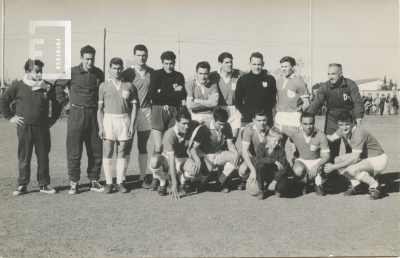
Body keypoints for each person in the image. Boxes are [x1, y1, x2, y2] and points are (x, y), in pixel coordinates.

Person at [0, 59, 62, 195]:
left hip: (42, 127)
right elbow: (3, 100)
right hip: (24, 127)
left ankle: (44, 184)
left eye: (41, 71)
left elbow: (57, 103)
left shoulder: (46, 86)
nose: (39, 74)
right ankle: (22, 184)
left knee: (43, 156)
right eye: (36, 71)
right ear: (28, 72)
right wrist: (10, 117)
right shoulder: (17, 86)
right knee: (24, 156)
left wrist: (53, 118)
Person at [55, 45, 105, 194]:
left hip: (94, 114)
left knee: (96, 149)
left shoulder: (99, 73)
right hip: (76, 113)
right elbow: (58, 86)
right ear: (81, 58)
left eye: (92, 59)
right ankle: (74, 182)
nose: (90, 62)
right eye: (87, 59)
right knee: (74, 150)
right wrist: (65, 104)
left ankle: (94, 180)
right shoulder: (72, 72)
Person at [307, 63, 364, 163]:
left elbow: (358, 102)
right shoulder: (324, 86)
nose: (330, 77)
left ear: (341, 73)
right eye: (328, 74)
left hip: (348, 117)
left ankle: (351, 170)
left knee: (350, 146)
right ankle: (332, 174)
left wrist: (359, 118)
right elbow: (316, 104)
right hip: (332, 118)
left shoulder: (351, 84)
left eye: (333, 74)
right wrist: (307, 117)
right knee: (331, 145)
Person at [325, 111, 388, 200]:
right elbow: (330, 138)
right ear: (338, 124)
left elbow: (354, 159)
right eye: (341, 125)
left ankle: (375, 185)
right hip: (364, 157)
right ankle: (356, 185)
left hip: (378, 159)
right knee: (337, 160)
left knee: (352, 169)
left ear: (353, 123)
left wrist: (333, 167)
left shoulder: (358, 133)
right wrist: (316, 135)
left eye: (347, 124)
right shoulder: (341, 130)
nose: (344, 128)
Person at [97, 58, 137, 194]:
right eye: (114, 68)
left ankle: (120, 182)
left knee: (122, 152)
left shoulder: (129, 85)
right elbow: (99, 109)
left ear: (122, 68)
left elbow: (134, 107)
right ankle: (109, 183)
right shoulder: (103, 85)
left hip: (124, 120)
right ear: (109, 69)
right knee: (107, 151)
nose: (117, 70)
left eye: (119, 68)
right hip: (108, 120)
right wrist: (101, 127)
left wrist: (132, 125)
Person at [147, 51, 186, 189]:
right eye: (166, 63)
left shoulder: (179, 76)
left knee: (172, 145)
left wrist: (162, 91)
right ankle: (155, 177)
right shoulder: (156, 75)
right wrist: (172, 93)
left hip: (174, 111)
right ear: (162, 63)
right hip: (157, 110)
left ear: (174, 63)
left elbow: (182, 95)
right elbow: (152, 95)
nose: (169, 66)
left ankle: (170, 174)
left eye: (171, 63)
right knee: (158, 146)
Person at [121, 44, 154, 188]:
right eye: (139, 55)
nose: (142, 57)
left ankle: (142, 177)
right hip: (129, 112)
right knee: (126, 145)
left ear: (147, 55)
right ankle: (122, 179)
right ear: (134, 56)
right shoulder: (127, 73)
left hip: (146, 112)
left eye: (144, 55)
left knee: (143, 145)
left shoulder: (152, 72)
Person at [147, 108, 199, 198]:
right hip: (168, 160)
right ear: (177, 122)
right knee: (153, 161)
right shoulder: (169, 134)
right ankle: (163, 182)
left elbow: (203, 122)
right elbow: (172, 162)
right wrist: (174, 184)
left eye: (188, 123)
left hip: (182, 159)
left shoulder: (191, 125)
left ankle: (182, 181)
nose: (186, 126)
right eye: (184, 124)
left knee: (194, 171)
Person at [186, 108, 241, 193]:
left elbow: (230, 144)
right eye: (219, 124)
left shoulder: (227, 126)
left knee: (236, 157)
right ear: (214, 120)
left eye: (224, 124)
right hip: (202, 154)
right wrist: (197, 160)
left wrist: (236, 153)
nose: (222, 127)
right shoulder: (204, 127)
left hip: (216, 153)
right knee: (208, 169)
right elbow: (192, 148)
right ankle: (198, 181)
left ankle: (220, 181)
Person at [275, 113, 331, 196]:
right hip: (302, 160)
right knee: (297, 170)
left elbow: (327, 156)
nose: (308, 127)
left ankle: (318, 184)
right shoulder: (295, 131)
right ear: (301, 124)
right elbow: (277, 125)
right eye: (305, 124)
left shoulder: (321, 135)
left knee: (325, 167)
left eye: (310, 123)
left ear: (314, 123)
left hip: (316, 160)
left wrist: (316, 166)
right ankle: (304, 184)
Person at [275, 56, 310, 159]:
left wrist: (298, 113)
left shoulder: (299, 82)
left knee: (295, 146)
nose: (283, 69)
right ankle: (281, 167)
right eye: (282, 66)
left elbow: (306, 103)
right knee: (278, 144)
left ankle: (296, 167)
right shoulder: (278, 81)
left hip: (294, 117)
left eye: (286, 66)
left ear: (293, 67)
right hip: (280, 116)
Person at [209, 52, 245, 143]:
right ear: (220, 64)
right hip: (219, 110)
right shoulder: (213, 76)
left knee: (232, 140)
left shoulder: (239, 74)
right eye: (226, 62)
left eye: (231, 62)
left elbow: (252, 76)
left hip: (234, 111)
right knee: (220, 141)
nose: (229, 64)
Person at [235, 52, 277, 128]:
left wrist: (264, 113)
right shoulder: (243, 79)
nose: (256, 67)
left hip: (265, 120)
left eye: (259, 64)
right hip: (248, 119)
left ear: (263, 64)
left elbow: (273, 100)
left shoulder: (270, 79)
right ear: (250, 64)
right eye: (254, 64)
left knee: (266, 139)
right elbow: (238, 101)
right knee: (247, 139)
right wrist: (246, 113)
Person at [254, 127, 291, 200]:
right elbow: (258, 159)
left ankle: (274, 188)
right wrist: (273, 161)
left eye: (279, 141)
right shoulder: (261, 146)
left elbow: (283, 169)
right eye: (275, 140)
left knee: (281, 190)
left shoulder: (281, 151)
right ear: (268, 138)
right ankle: (261, 189)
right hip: (266, 173)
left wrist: (274, 181)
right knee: (260, 165)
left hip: (276, 174)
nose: (277, 143)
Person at [237, 109, 269, 190]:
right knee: (243, 169)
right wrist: (253, 170)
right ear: (253, 120)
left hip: (264, 158)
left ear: (267, 119)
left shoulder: (270, 130)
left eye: (264, 120)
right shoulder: (248, 129)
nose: (262, 123)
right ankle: (244, 180)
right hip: (253, 156)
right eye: (259, 120)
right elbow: (244, 151)